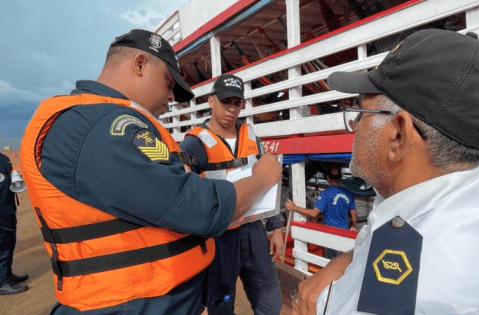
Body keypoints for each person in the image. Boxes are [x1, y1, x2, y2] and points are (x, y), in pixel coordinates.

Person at [20, 29, 281, 315]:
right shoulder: (98, 126)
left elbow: (167, 180)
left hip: (158, 298)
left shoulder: (115, 125)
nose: (170, 97)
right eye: (169, 83)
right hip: (127, 304)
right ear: (140, 64)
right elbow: (196, 205)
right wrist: (261, 179)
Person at [296, 29, 479, 315]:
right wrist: (348, 260)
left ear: (398, 134)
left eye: (361, 113)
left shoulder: (413, 298)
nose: (355, 126)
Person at [180, 74, 283, 315]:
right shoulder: (194, 145)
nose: (231, 109)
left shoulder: (252, 139)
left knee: (271, 303)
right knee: (221, 306)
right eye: (226, 101)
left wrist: (276, 227)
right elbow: (185, 196)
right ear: (211, 101)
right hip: (219, 237)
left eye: (237, 103)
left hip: (254, 232)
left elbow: (269, 181)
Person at [285, 166, 357, 258]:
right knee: (343, 258)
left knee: (332, 260)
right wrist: (353, 226)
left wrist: (294, 207)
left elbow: (314, 213)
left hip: (331, 232)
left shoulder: (325, 194)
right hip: (345, 231)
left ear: (327, 178)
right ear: (340, 178)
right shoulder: (348, 193)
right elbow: (353, 213)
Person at [0, 152, 28, 295]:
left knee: (10, 243)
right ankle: (2, 283)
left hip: (8, 209)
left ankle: (7, 274)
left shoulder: (4, 158)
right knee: (2, 247)